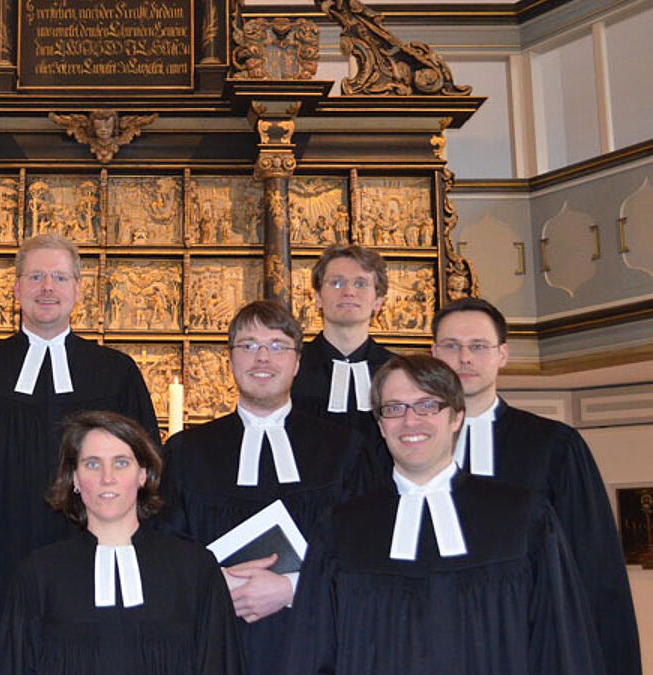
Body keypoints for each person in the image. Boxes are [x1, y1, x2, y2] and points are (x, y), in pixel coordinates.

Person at [285, 355, 604, 674]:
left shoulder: (522, 519)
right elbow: (314, 653)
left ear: (456, 418)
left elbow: (557, 648)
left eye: (427, 405)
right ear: (381, 426)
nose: (410, 421)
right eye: (394, 408)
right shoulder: (342, 530)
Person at [0, 233, 158, 650]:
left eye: (59, 277)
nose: (47, 287)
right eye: (35, 276)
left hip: (90, 550)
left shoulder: (115, 373)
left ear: (77, 289)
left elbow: (146, 472)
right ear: (17, 288)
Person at [161, 300, 378, 675]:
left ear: (297, 363)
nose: (262, 358)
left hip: (316, 642)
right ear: (229, 360)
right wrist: (213, 583)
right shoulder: (186, 452)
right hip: (214, 644)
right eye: (248, 345)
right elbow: (162, 548)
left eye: (277, 346)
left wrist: (292, 588)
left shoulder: (343, 450)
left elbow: (364, 550)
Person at [430, 297, 640, 674]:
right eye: (451, 346)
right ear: (432, 353)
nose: (464, 358)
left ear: (503, 354)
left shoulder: (553, 445)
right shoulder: (408, 444)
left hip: (533, 638)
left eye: (478, 346)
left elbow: (592, 561)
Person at [0, 411, 241, 674]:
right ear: (75, 478)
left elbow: (220, 664)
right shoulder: (40, 575)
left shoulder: (194, 569)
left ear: (143, 475)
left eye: (121, 463)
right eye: (92, 464)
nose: (107, 478)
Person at [292, 244, 394, 444]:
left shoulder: (397, 371)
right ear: (318, 298)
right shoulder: (291, 367)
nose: (348, 292)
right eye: (336, 283)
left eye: (360, 283)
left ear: (378, 301)